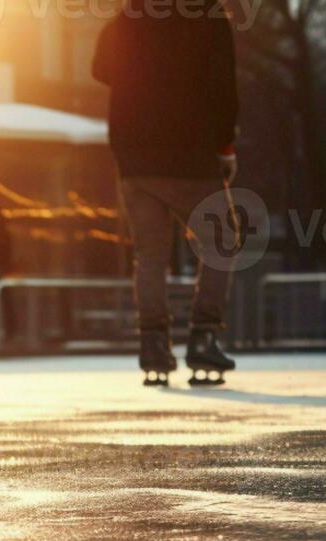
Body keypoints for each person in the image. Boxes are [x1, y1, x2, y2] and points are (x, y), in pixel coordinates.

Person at [93, 0, 241, 387]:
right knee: (221, 241)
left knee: (150, 254)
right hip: (189, 154)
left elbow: (100, 67)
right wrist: (225, 148)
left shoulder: (131, 15)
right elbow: (224, 87)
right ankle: (204, 336)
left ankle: (153, 344)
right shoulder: (208, 15)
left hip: (134, 157)